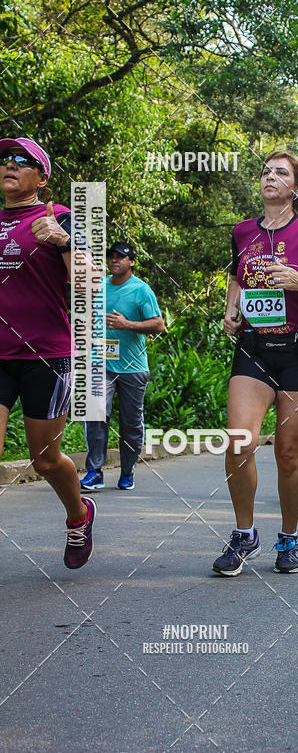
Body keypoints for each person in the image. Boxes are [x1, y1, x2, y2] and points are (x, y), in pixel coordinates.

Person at [213, 150, 298, 576]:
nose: (270, 177)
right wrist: (231, 308)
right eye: (266, 171)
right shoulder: (241, 232)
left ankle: (288, 538)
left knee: (289, 453)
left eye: (281, 173)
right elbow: (237, 276)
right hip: (255, 349)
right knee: (239, 440)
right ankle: (244, 534)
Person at [0, 137, 98, 568]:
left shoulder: (63, 219)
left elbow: (90, 282)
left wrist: (62, 242)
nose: (10, 165)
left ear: (41, 178)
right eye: (5, 159)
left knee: (45, 460)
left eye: (23, 161)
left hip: (46, 356)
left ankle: (79, 515)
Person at [81, 242, 164, 491]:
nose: (115, 260)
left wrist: (127, 325)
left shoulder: (141, 290)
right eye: (112, 256)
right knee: (95, 415)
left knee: (131, 423)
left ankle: (127, 471)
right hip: (101, 364)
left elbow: (158, 325)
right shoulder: (99, 286)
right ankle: (94, 471)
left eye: (121, 257)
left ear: (132, 262)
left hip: (132, 367)